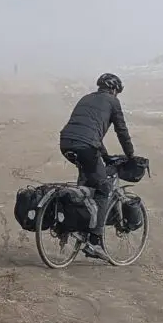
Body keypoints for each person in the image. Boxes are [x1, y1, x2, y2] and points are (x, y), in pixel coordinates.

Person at [59, 72, 135, 259]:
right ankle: (95, 241)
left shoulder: (86, 98)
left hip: (66, 142)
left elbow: (90, 132)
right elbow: (121, 131)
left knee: (87, 181)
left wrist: (106, 156)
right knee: (104, 188)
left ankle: (76, 222)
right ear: (115, 89)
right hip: (86, 146)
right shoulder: (113, 102)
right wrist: (131, 155)